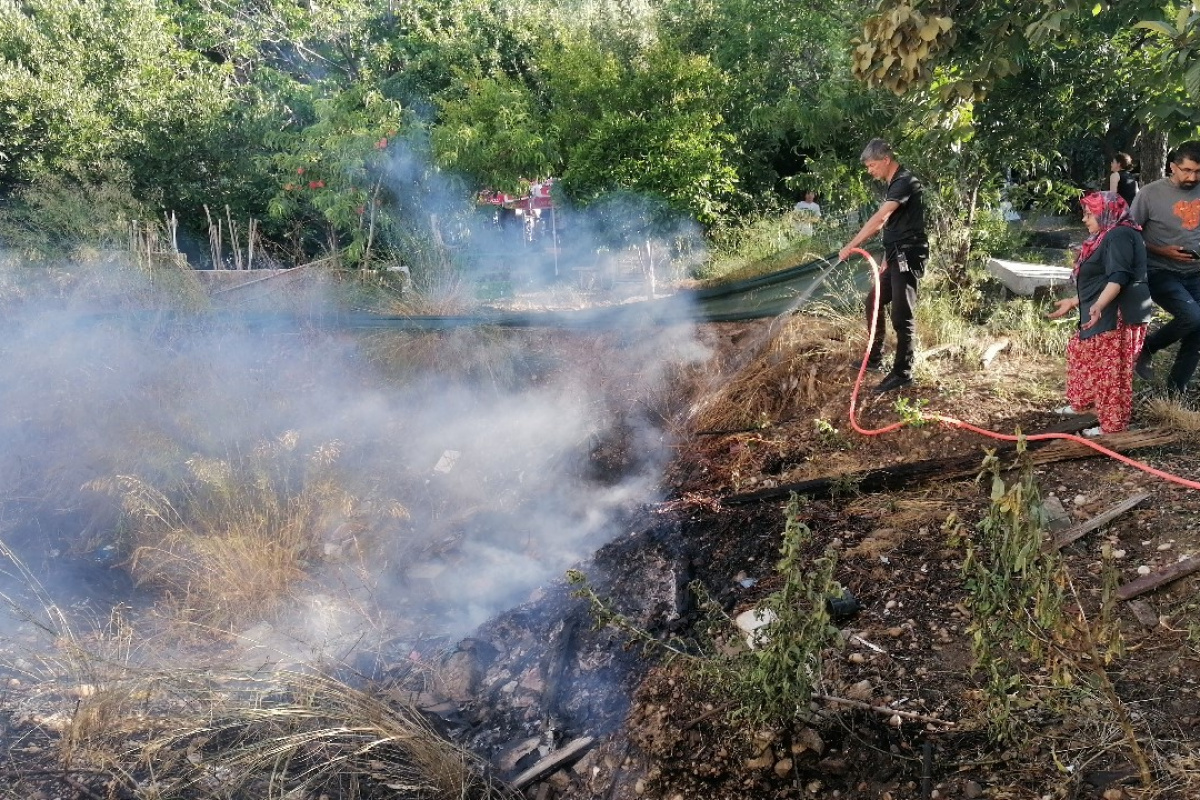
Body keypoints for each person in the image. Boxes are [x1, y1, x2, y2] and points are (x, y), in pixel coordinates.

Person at [1047, 192, 1153, 436]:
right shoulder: (1107, 235)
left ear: (1106, 212)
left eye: (1089, 213)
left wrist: (1098, 306)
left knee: (1111, 371)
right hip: (1102, 308)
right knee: (1080, 351)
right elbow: (1101, 278)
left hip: (1118, 312)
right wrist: (1075, 302)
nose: (1084, 219)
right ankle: (1087, 406)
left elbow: (1118, 277)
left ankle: (1113, 427)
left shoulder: (1120, 234)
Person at [838, 139, 928, 393]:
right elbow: (896, 226)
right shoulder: (893, 183)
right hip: (895, 256)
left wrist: (851, 245)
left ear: (886, 160)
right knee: (874, 300)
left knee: (902, 313)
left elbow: (880, 220)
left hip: (908, 256)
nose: (870, 171)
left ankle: (903, 372)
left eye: (872, 165)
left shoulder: (905, 181)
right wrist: (885, 261)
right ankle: (874, 358)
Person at [1127, 140, 1200, 399]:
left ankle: (1174, 393)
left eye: (1198, 172)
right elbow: (1129, 235)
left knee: (1198, 332)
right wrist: (1162, 250)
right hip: (1159, 271)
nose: (1192, 177)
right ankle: (1147, 347)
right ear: (1173, 167)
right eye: (1187, 170)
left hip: (1195, 273)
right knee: (1192, 317)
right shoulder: (1149, 194)